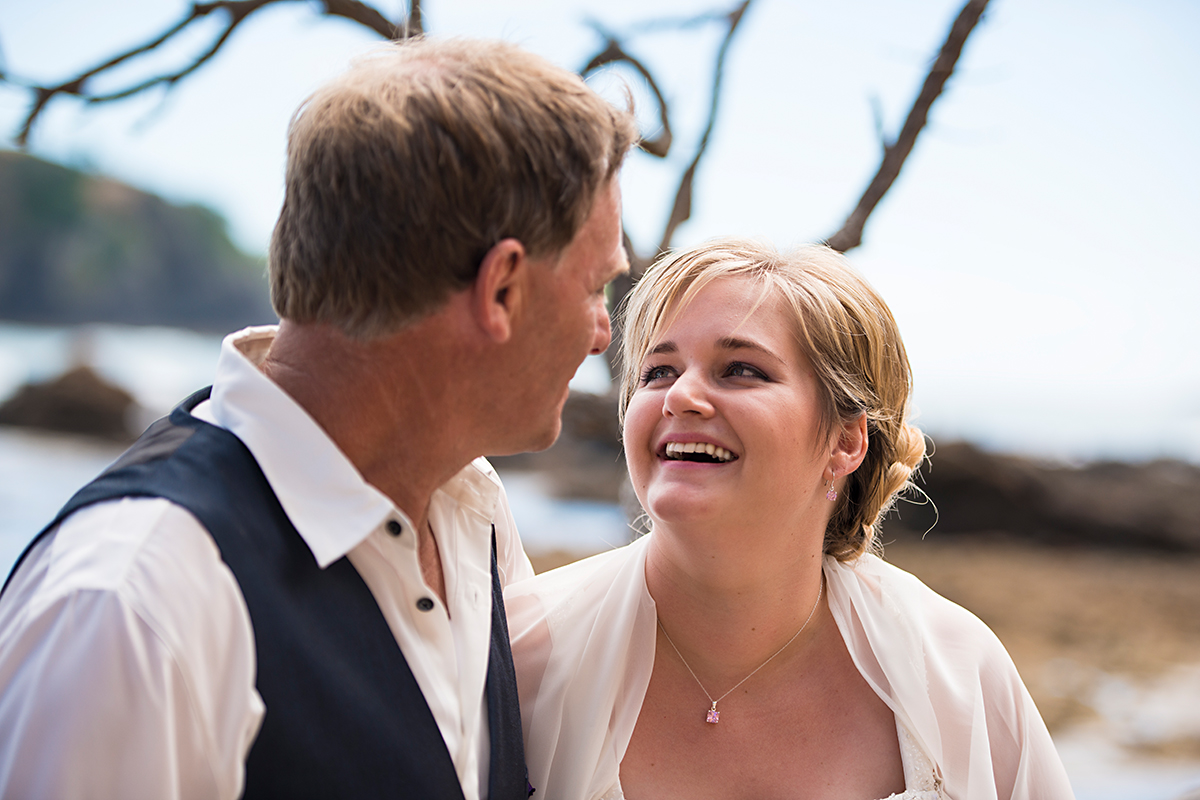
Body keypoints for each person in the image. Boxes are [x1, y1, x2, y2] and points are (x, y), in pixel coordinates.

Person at [0, 37, 636, 800]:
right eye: (597, 286)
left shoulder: (472, 511)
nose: (603, 332)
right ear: (500, 289)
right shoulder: (134, 606)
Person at [505, 239, 1076, 800]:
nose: (680, 396)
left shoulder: (956, 673)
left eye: (740, 370)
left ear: (845, 441)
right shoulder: (521, 658)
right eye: (658, 371)